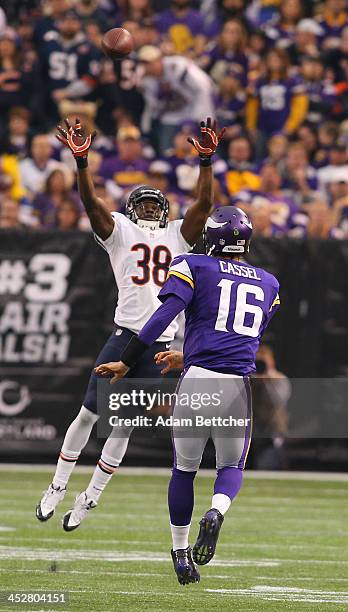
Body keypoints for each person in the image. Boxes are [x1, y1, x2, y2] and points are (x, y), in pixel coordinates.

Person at [35, 116, 226, 530]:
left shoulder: (178, 234)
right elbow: (90, 205)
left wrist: (207, 162)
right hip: (125, 337)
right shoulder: (119, 231)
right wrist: (82, 165)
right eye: (143, 204)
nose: (150, 209)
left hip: (158, 346)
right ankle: (58, 484)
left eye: (156, 204)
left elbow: (204, 207)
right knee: (88, 414)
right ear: (129, 210)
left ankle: (91, 498)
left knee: (122, 425)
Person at [96, 205, 280, 585]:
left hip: (197, 379)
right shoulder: (268, 283)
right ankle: (216, 511)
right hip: (237, 384)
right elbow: (240, 335)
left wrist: (128, 361)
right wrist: (191, 352)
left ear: (211, 236)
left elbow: (162, 318)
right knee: (231, 467)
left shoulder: (194, 265)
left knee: (184, 468)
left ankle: (180, 552)